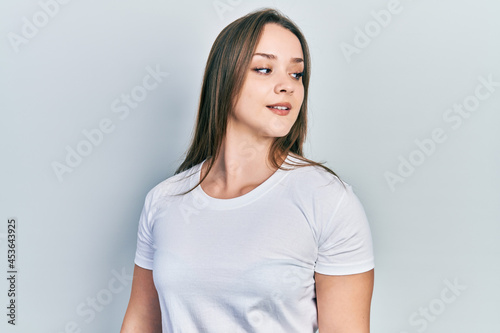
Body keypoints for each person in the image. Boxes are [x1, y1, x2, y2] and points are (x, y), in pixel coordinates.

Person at [121, 8, 374, 333]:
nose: (287, 86)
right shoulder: (164, 201)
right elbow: (141, 323)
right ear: (224, 78)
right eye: (264, 69)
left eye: (296, 74)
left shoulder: (327, 201)